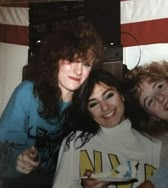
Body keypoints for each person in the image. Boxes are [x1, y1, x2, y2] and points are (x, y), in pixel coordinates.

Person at [0, 20, 104, 188]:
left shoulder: (90, 103)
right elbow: (3, 148)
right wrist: (18, 159)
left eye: (85, 64)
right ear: (54, 60)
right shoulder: (27, 93)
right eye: (71, 60)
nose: (78, 71)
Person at [52, 69, 162, 188]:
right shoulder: (76, 142)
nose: (105, 107)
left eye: (109, 95)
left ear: (122, 96)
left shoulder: (155, 146)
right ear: (87, 112)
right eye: (93, 104)